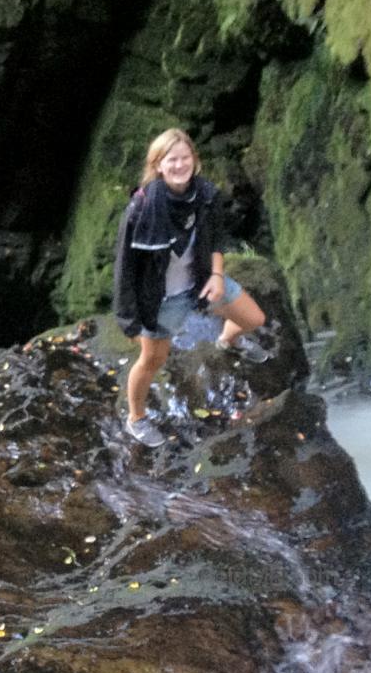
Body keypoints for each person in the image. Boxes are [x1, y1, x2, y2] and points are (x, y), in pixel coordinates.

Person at [113, 128, 268, 447]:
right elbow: (125, 268)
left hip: (201, 282)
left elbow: (215, 240)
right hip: (163, 299)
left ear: (195, 161)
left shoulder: (206, 196)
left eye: (186, 158)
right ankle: (136, 418)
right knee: (151, 361)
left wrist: (217, 276)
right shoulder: (141, 208)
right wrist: (130, 319)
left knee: (254, 320)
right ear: (158, 164)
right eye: (172, 159)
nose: (180, 165)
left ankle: (228, 339)